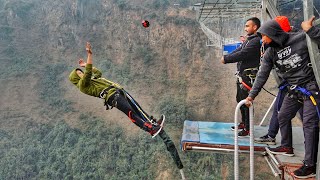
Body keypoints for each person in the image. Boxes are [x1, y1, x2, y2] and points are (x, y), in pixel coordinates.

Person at [246, 16, 320, 178]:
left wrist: (310, 30)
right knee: (283, 115)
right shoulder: (270, 52)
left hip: (310, 88)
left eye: (264, 35)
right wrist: (252, 96)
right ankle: (287, 146)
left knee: (309, 124)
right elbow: (262, 75)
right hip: (293, 90)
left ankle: (310, 165)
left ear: (273, 33)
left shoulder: (301, 38)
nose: (262, 40)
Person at [69, 42, 164, 138]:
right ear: (76, 79)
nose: (82, 73)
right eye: (79, 74)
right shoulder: (83, 85)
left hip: (117, 90)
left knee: (136, 107)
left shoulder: (92, 80)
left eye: (81, 72)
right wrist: (89, 55)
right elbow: (88, 73)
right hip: (111, 97)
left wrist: (85, 65)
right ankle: (150, 129)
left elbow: (98, 73)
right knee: (130, 112)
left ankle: (152, 123)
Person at [254, 16, 295, 145]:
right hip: (292, 84)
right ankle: (281, 141)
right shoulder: (278, 46)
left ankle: (281, 141)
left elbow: (263, 74)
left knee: (283, 113)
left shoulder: (292, 42)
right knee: (282, 113)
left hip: (295, 84)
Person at [221, 17, 261, 137]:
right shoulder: (250, 40)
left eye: (247, 26)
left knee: (246, 101)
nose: (245, 28)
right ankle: (244, 123)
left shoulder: (255, 41)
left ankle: (248, 128)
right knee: (240, 100)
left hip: (248, 76)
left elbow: (243, 54)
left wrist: (227, 59)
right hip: (243, 75)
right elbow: (239, 49)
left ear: (255, 27)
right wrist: (226, 56)